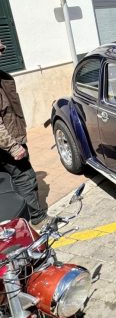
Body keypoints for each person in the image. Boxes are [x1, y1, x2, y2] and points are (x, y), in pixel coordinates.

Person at [0, 39, 48, 228]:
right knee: (25, 177)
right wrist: (12, 146)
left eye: (2, 50)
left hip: (9, 138)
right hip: (7, 143)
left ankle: (14, 222)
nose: (2, 53)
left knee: (9, 181)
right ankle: (36, 218)